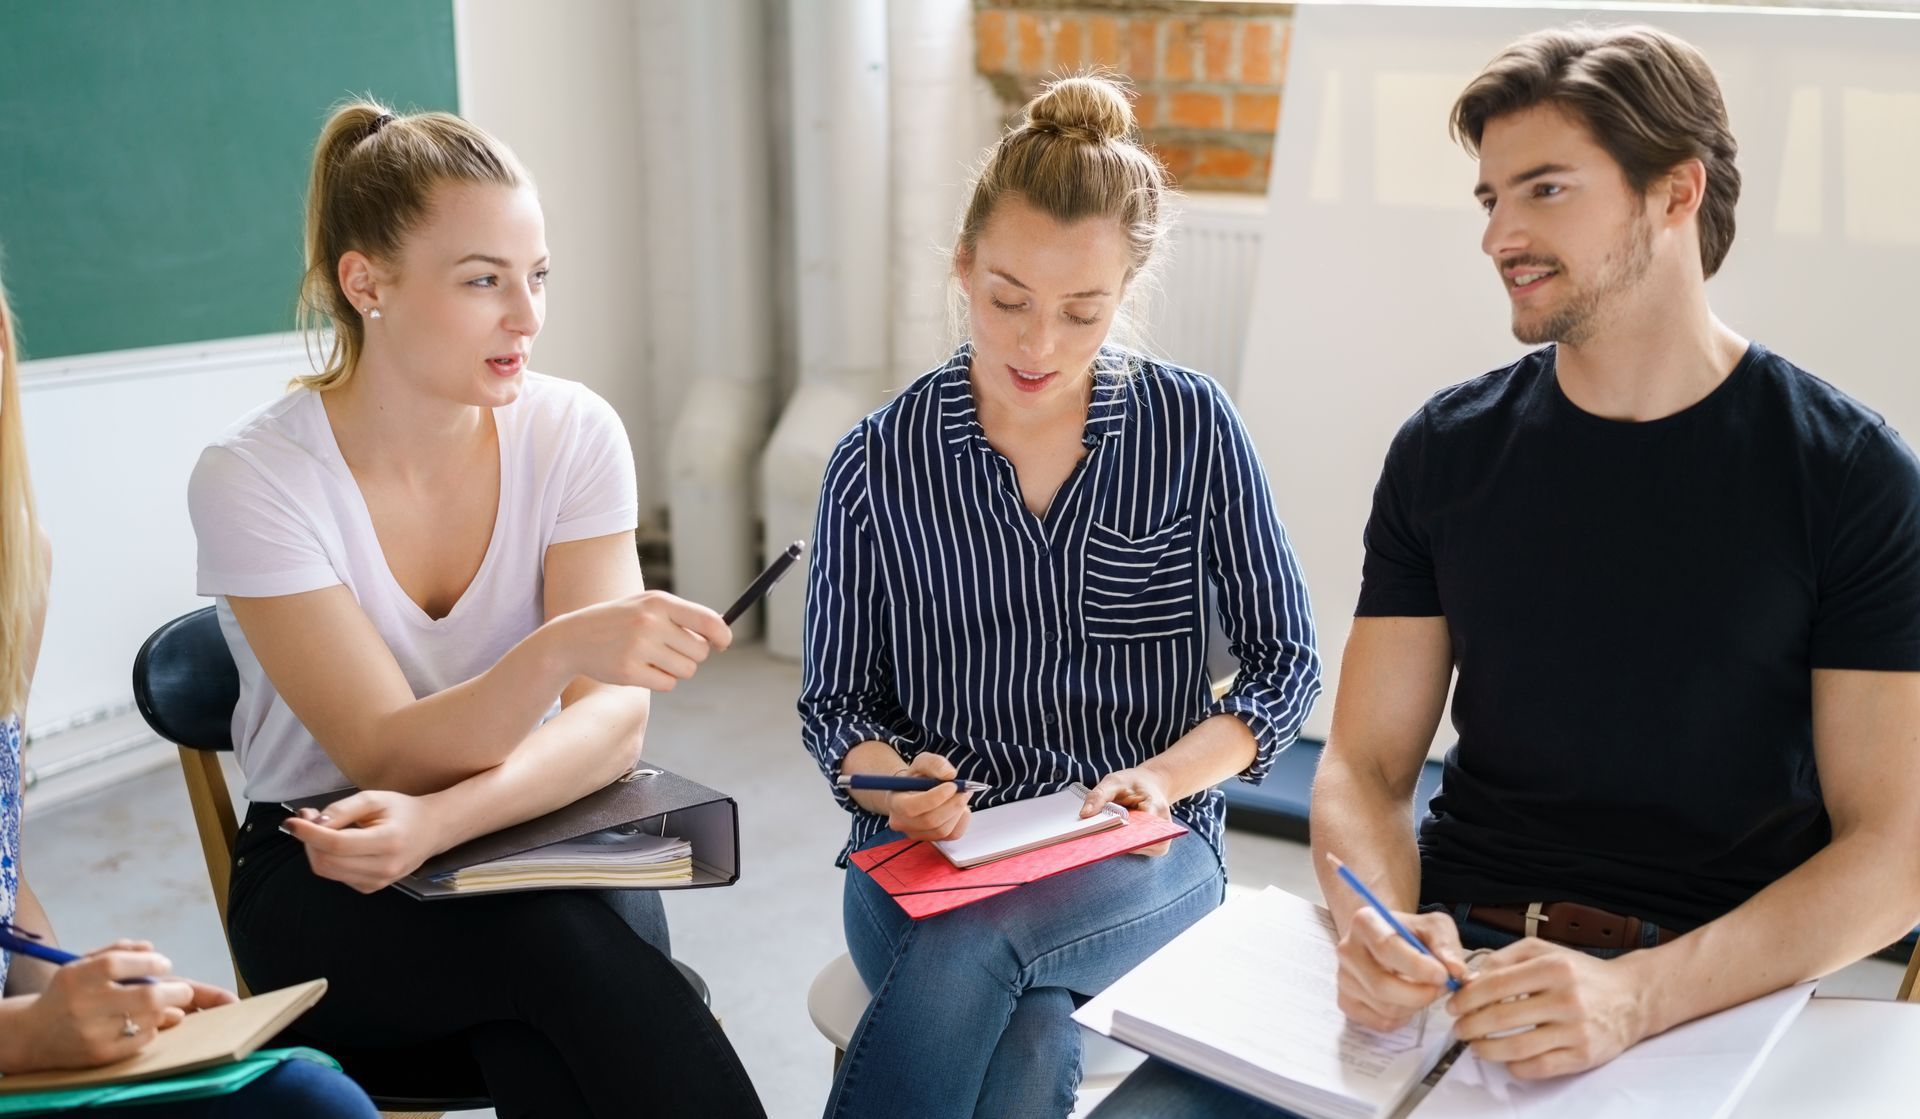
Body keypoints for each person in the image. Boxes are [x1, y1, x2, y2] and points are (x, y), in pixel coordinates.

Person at [1091, 24, 1920, 1116]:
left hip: (1704, 993)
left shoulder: (1850, 477)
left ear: (1676, 192)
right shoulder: (1446, 452)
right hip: (1458, 954)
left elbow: (1894, 851)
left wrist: (1636, 997)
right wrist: (1375, 923)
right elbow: (1364, 768)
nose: (1499, 235)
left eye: (1545, 190)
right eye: (1491, 198)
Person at [186, 102, 764, 1118]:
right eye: (483, 281)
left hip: (530, 814)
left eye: (537, 276)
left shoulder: (574, 431)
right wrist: (555, 653)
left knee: (545, 999)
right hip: (333, 857)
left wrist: (447, 821)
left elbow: (613, 728)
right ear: (366, 284)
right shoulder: (256, 476)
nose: (527, 317)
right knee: (563, 951)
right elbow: (387, 756)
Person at [797, 75, 1322, 1119]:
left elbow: (1286, 667)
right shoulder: (875, 463)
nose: (1037, 345)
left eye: (1083, 311)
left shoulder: (1193, 429)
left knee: (980, 943)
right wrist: (896, 786)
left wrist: (1162, 778)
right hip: (928, 854)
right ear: (961, 265)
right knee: (1029, 1030)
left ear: (1127, 290)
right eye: (1008, 300)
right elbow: (835, 709)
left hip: (1142, 854)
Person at [0, 274, 376, 1116]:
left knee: (313, 1099)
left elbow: (4, 884)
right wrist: (24, 1037)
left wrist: (87, 1001)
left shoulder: (15, 564)